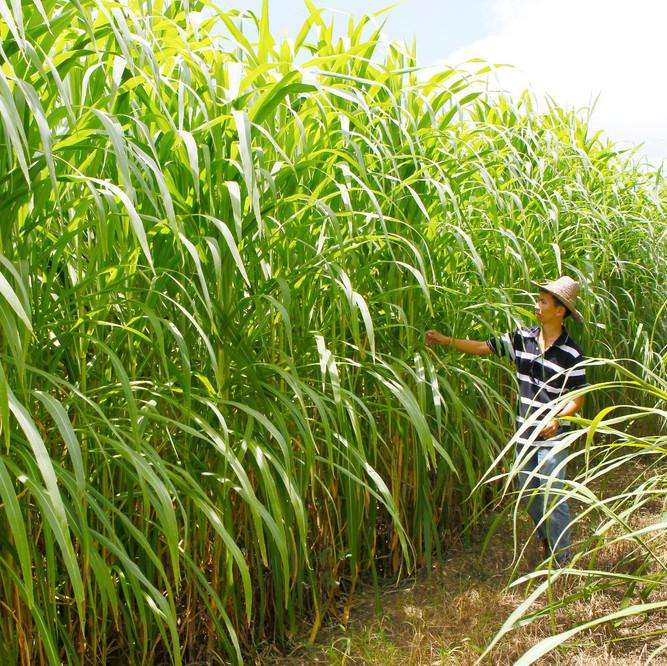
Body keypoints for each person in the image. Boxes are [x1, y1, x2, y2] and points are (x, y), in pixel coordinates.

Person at [425, 276, 588, 565]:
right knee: (531, 496)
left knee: (555, 496)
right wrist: (446, 341)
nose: (537, 305)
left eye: (543, 302)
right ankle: (546, 538)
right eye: (539, 299)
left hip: (554, 434)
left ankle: (563, 562)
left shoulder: (571, 353)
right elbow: (482, 347)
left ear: (559, 311)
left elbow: (578, 398)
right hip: (524, 432)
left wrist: (557, 417)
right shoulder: (521, 338)